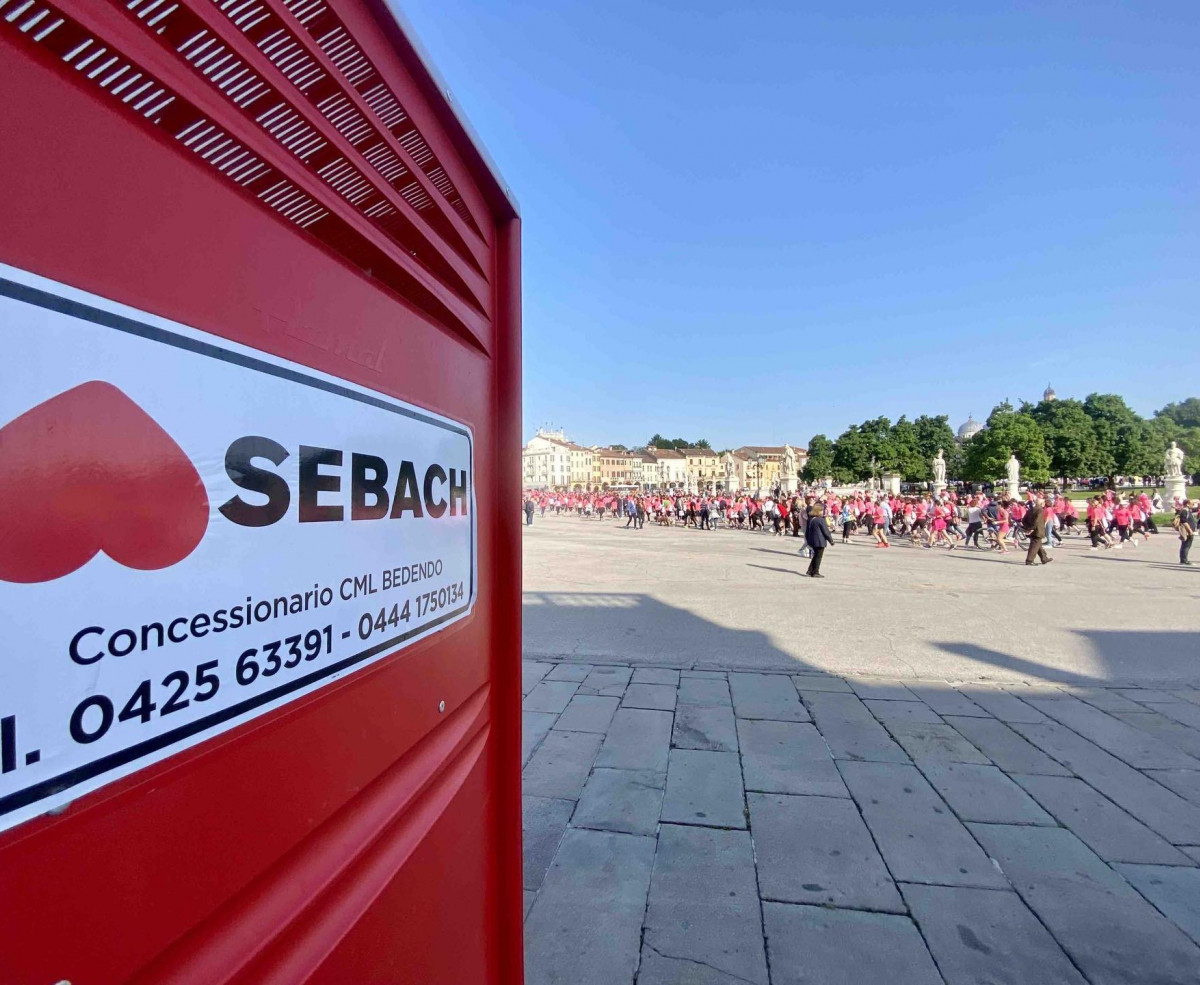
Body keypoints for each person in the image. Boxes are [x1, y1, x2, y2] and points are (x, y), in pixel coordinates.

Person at [804, 502, 833, 577]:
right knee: (818, 557)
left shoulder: (810, 519)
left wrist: (807, 539)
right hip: (820, 541)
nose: (822, 512)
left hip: (812, 540)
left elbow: (807, 531)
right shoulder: (821, 520)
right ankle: (816, 572)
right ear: (818, 511)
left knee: (815, 556)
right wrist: (831, 540)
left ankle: (810, 571)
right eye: (821, 510)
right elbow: (826, 531)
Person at [1022, 495, 1053, 566]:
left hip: (1032, 529)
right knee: (1034, 546)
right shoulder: (1040, 510)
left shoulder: (1030, 509)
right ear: (1042, 504)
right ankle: (1029, 560)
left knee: (1038, 545)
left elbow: (1024, 520)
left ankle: (1044, 558)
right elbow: (1037, 521)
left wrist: (1027, 527)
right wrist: (1032, 528)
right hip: (1037, 530)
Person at [1175, 499, 1195, 566]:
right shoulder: (1184, 511)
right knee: (1186, 545)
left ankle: (1183, 559)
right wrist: (1190, 530)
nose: (1193, 505)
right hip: (1187, 531)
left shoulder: (1188, 511)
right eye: (1192, 504)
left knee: (1186, 545)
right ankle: (1184, 560)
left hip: (1188, 531)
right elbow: (1184, 522)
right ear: (1187, 504)